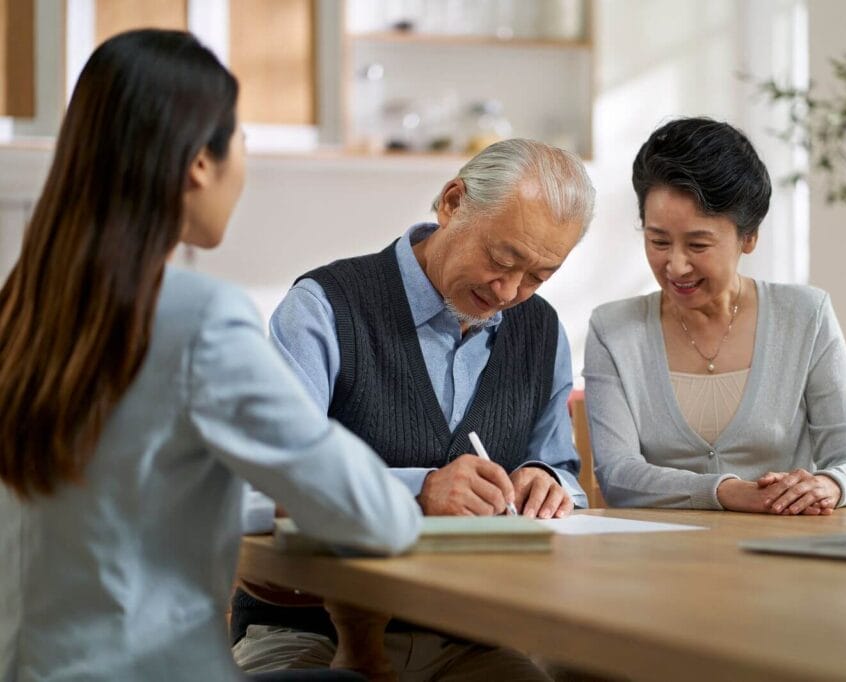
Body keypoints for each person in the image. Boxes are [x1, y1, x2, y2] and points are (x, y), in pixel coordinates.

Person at [0, 30, 422, 682]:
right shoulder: (199, 318)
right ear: (200, 161)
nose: (245, 159)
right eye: (243, 138)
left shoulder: (19, 308)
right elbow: (375, 517)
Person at [231, 139, 596, 679]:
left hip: (469, 637)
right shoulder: (324, 308)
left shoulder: (541, 331)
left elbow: (564, 475)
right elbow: (253, 492)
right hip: (308, 631)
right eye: (502, 259)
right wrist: (417, 492)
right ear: (452, 203)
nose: (510, 290)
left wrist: (546, 481)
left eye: (539, 276)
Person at [584, 117, 846, 514]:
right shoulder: (614, 330)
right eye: (658, 241)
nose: (675, 265)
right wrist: (727, 493)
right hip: (657, 562)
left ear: (749, 236)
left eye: (698, 244)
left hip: (781, 557)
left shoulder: (806, 317)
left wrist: (829, 485)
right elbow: (618, 476)